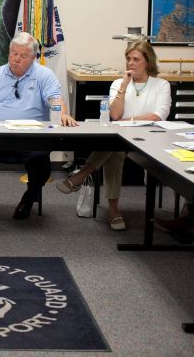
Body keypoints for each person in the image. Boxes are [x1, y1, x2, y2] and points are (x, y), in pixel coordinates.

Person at [0, 32, 77, 229]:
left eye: (22, 56)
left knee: (40, 158)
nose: (16, 59)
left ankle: (29, 198)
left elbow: (55, 99)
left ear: (33, 57)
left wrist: (62, 113)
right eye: (13, 54)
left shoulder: (44, 75)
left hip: (31, 139)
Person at [56, 40, 170, 230]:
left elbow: (158, 116)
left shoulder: (161, 85)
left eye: (136, 59)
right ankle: (114, 211)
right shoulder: (118, 83)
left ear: (148, 61)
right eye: (128, 59)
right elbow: (115, 115)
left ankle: (82, 174)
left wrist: (127, 122)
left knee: (112, 146)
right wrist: (125, 86)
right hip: (123, 139)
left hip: (150, 138)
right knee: (114, 153)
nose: (130, 63)